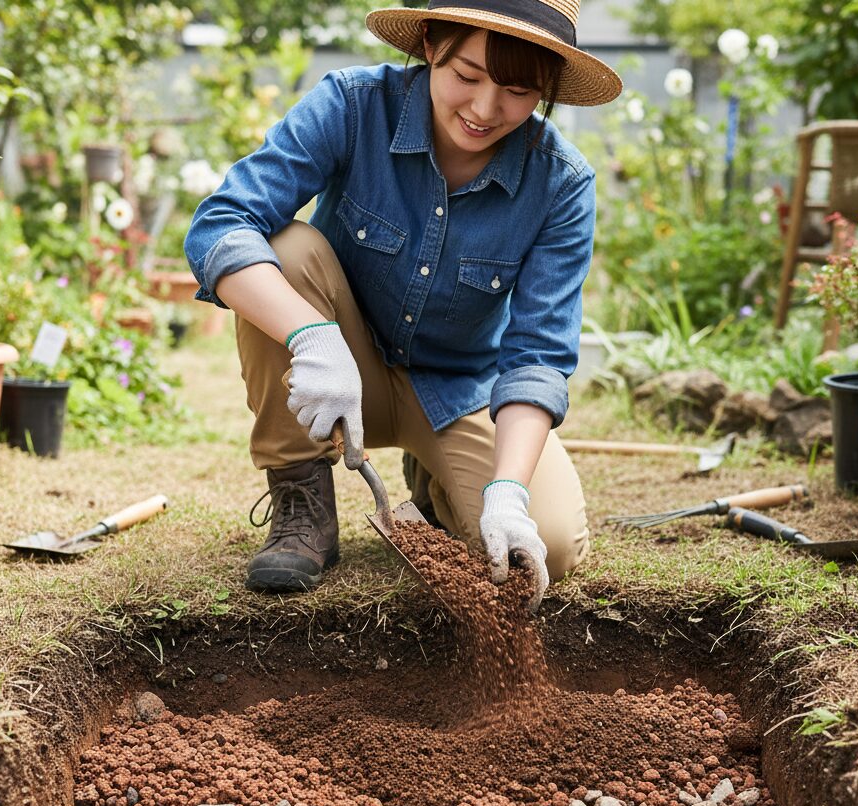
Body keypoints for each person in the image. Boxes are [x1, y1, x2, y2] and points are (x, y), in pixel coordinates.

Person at [184, 0, 622, 610]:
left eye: (518, 91)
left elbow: (537, 357)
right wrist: (311, 336)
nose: (484, 109)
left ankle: (440, 486)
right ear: (429, 47)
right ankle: (301, 502)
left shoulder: (561, 183)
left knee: (551, 543)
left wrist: (507, 494)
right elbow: (221, 224)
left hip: (459, 389)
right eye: (466, 76)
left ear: (545, 88)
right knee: (282, 247)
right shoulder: (353, 105)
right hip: (340, 361)